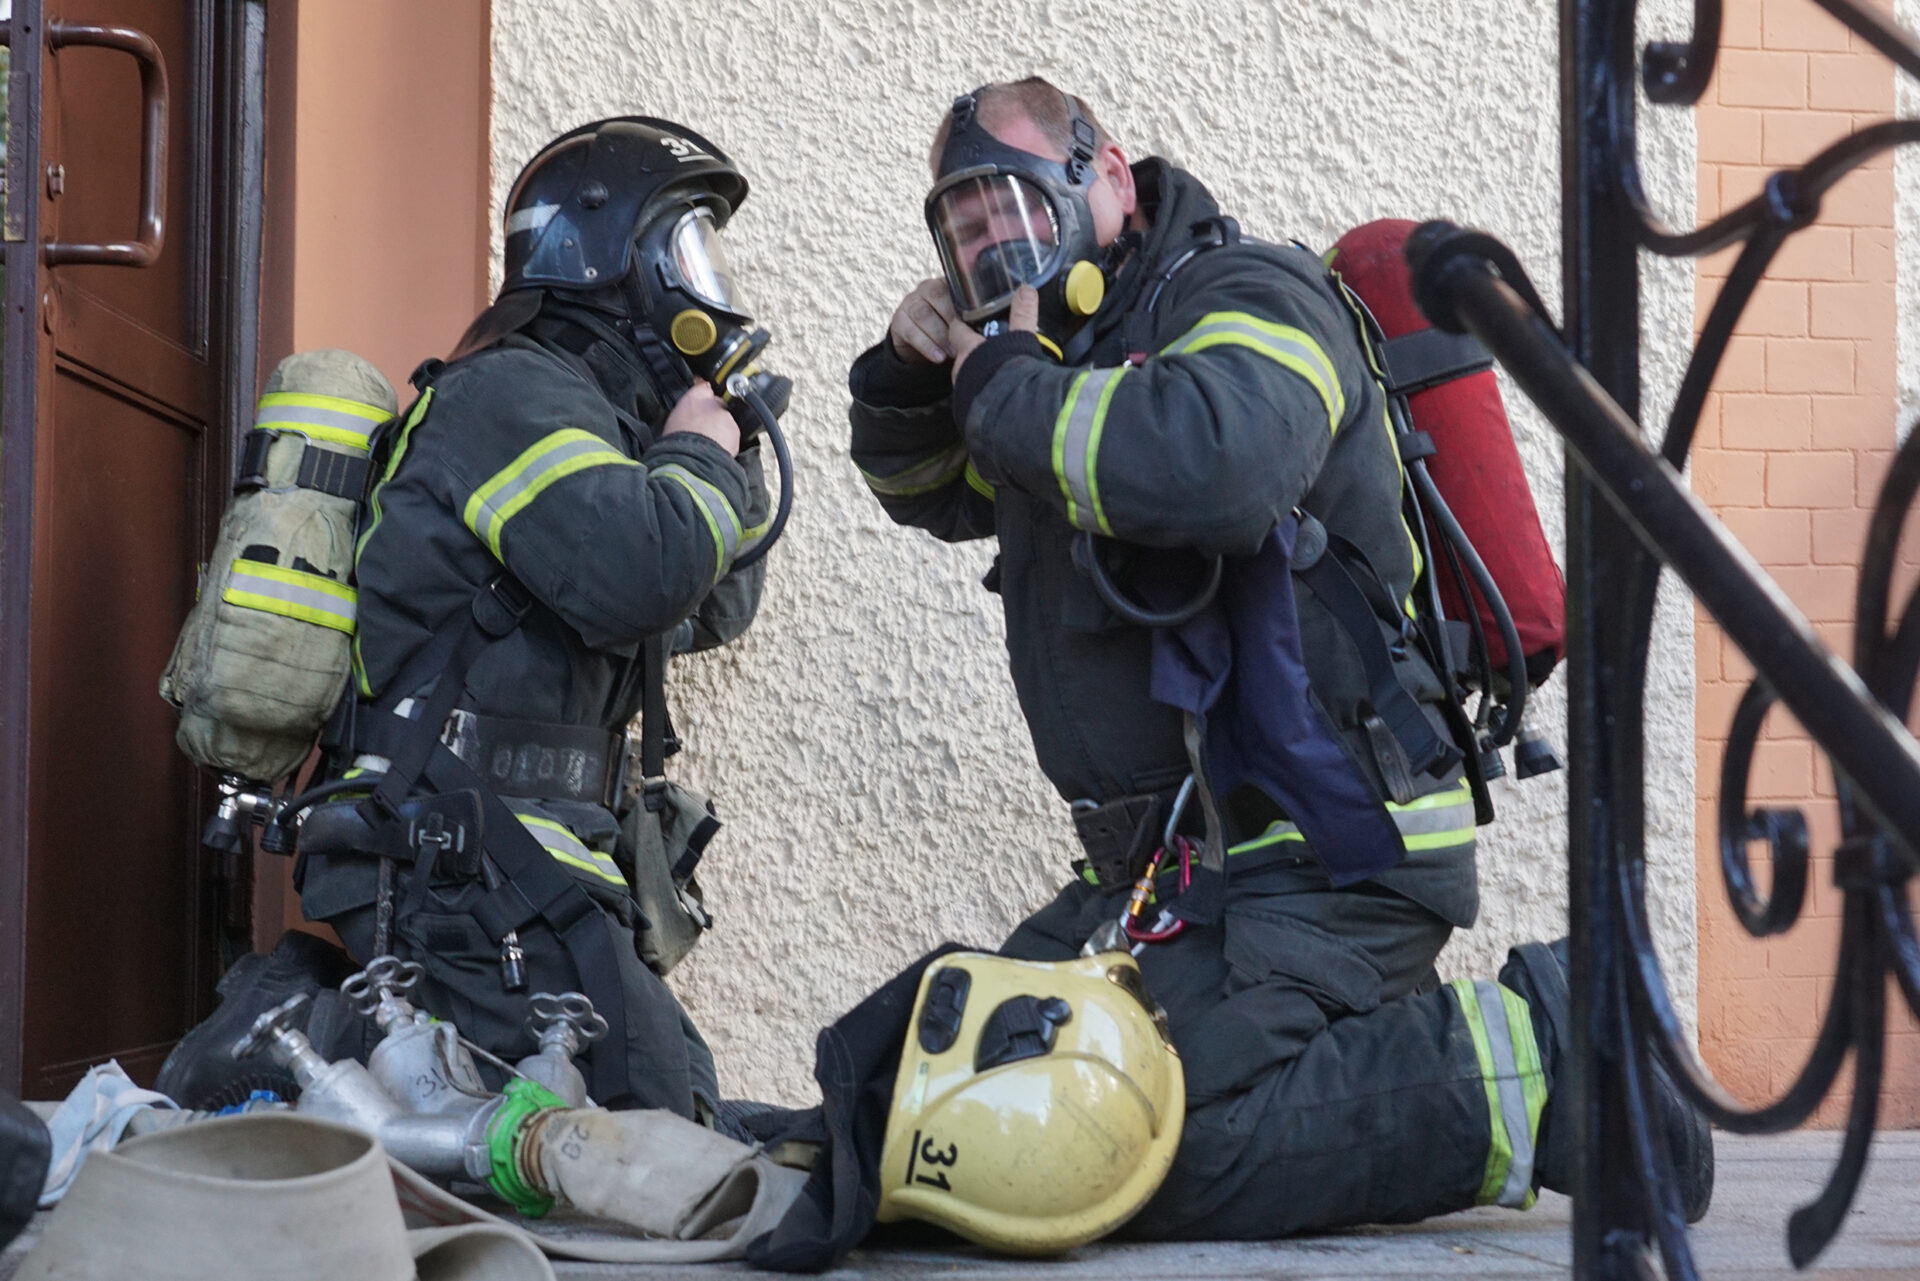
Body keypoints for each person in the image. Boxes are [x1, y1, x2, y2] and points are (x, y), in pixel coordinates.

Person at [849, 78, 1712, 1236]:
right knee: (954, 1113)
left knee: (1111, 1144)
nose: (991, 242)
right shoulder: (1056, 364)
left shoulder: (1247, 293)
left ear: (1106, 178)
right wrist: (915, 381)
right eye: (962, 227)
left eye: (1008, 202)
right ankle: (1348, 1058)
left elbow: (1220, 465)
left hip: (1328, 854)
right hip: (1175, 876)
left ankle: (1572, 1064)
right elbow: (932, 492)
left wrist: (1000, 382)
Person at [163, 116, 780, 1124]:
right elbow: (645, 570)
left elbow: (710, 602)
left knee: (679, 1110)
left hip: (521, 855)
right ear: (606, 256)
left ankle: (346, 1044)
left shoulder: (589, 422)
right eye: (684, 250)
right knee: (639, 1127)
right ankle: (302, 1046)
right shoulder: (510, 395)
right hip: (451, 851)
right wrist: (700, 458)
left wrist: (724, 450)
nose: (703, 284)